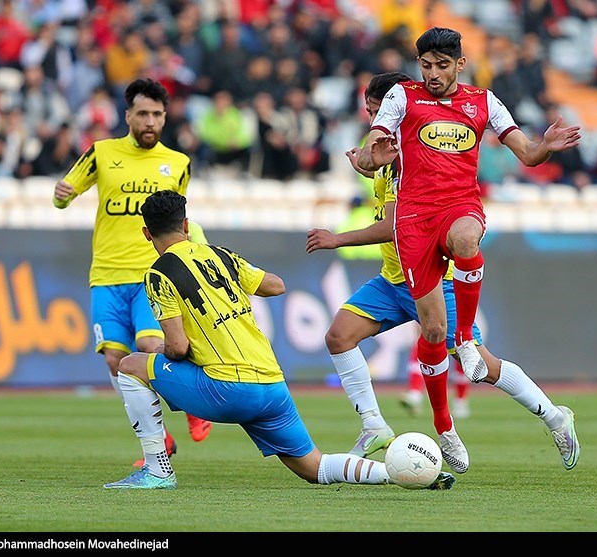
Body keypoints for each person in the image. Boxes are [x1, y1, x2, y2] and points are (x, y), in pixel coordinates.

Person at [309, 71, 581, 472]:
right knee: (338, 336)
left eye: (375, 109)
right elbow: (374, 165)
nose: (371, 118)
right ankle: (374, 425)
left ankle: (555, 417)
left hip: (436, 281)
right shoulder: (389, 154)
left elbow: (394, 223)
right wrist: (367, 162)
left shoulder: (424, 157)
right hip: (393, 279)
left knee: (482, 366)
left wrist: (339, 239)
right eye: (368, 111)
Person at [104, 189, 456, 490]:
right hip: (272, 385)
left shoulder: (158, 274)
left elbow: (178, 348)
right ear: (185, 225)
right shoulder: (221, 255)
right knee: (313, 467)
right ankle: (405, 474)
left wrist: (169, 352)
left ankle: (157, 470)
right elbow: (276, 285)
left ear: (147, 235)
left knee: (131, 365)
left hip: (224, 389)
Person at [53, 78, 212, 468]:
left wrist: (200, 249)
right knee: (113, 360)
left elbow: (180, 219)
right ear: (128, 116)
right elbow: (67, 191)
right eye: (143, 113)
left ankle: (192, 403)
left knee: (152, 348)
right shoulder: (103, 153)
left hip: (152, 275)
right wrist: (62, 195)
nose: (150, 121)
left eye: (157, 114)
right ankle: (161, 440)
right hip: (105, 275)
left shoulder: (178, 163)